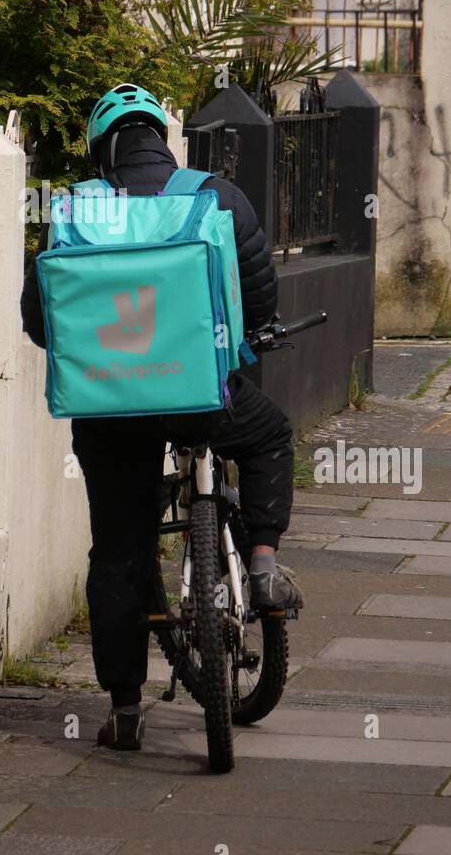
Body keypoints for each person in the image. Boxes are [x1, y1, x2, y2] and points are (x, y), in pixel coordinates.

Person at [20, 84, 304, 752]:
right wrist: (255, 334)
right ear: (159, 138)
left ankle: (123, 709)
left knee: (117, 553)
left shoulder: (71, 209)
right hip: (202, 399)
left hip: (109, 412)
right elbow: (259, 298)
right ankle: (260, 564)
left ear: (101, 152)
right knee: (269, 435)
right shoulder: (216, 196)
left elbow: (40, 322)